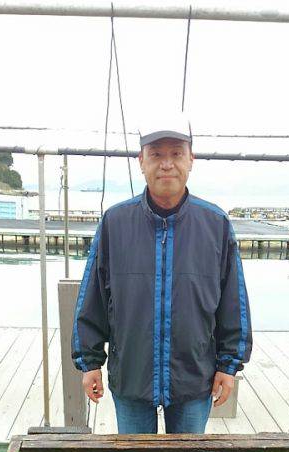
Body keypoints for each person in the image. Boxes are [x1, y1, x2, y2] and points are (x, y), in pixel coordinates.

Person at [71, 115, 252, 434]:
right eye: (156, 154)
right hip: (131, 375)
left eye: (176, 153)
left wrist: (229, 365)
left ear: (191, 159)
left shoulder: (216, 224)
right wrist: (90, 362)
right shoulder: (115, 222)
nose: (166, 164)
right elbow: (94, 297)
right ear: (141, 161)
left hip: (194, 377)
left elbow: (233, 302)